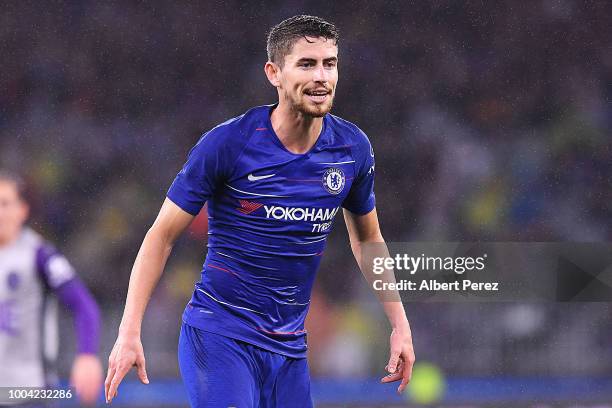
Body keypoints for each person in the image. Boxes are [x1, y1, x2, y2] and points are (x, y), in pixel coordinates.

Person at [105, 14, 415, 407]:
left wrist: (400, 326)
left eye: (329, 63)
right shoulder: (228, 144)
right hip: (220, 336)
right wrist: (129, 331)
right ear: (274, 73)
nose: (322, 76)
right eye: (306, 64)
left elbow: (368, 239)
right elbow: (161, 236)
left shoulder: (352, 149)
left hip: (289, 350)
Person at [0, 171, 103, 406]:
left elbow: (84, 306)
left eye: (5, 204)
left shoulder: (40, 255)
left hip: (30, 393)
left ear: (22, 210)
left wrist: (87, 355)